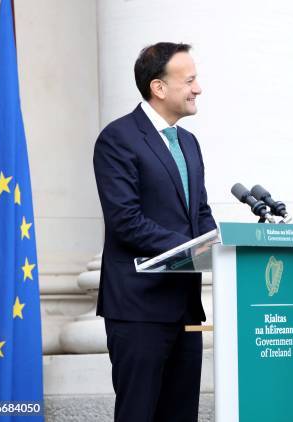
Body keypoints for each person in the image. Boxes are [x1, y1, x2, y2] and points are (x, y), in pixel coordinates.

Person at [93, 42, 216, 422]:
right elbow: (125, 220)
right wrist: (194, 248)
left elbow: (200, 212)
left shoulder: (189, 143)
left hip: (184, 308)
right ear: (158, 88)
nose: (198, 89)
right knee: (139, 414)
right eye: (190, 80)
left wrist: (223, 245)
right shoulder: (118, 138)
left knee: (181, 415)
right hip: (138, 309)